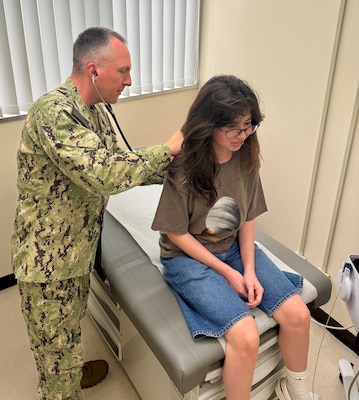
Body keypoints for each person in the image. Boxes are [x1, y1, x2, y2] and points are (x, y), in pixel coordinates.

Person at [11, 26, 183, 400]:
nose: (129, 80)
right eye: (123, 71)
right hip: (47, 265)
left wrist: (176, 167)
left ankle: (69, 369)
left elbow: (117, 161)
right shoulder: (53, 112)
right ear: (93, 70)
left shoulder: (96, 112)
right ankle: (62, 387)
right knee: (53, 347)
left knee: (68, 327)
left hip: (75, 251)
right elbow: (103, 172)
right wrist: (167, 148)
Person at [151, 75, 315, 400]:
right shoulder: (183, 167)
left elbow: (247, 216)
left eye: (249, 125)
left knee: (298, 315)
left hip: (234, 249)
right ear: (209, 124)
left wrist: (249, 270)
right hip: (186, 258)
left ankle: (295, 389)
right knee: (246, 335)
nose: (243, 135)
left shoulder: (246, 156)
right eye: (234, 128)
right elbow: (175, 232)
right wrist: (228, 273)